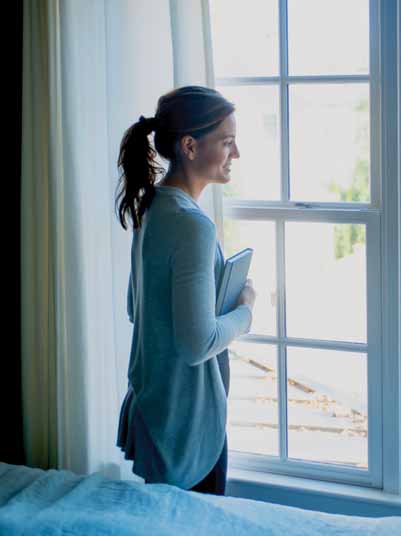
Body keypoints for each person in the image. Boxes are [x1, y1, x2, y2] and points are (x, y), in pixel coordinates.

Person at [113, 85, 256, 496]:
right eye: (227, 142)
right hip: (186, 421)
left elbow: (135, 306)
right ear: (190, 146)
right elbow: (198, 344)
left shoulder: (154, 206)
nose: (236, 154)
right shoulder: (192, 224)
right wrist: (244, 309)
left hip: (156, 407)